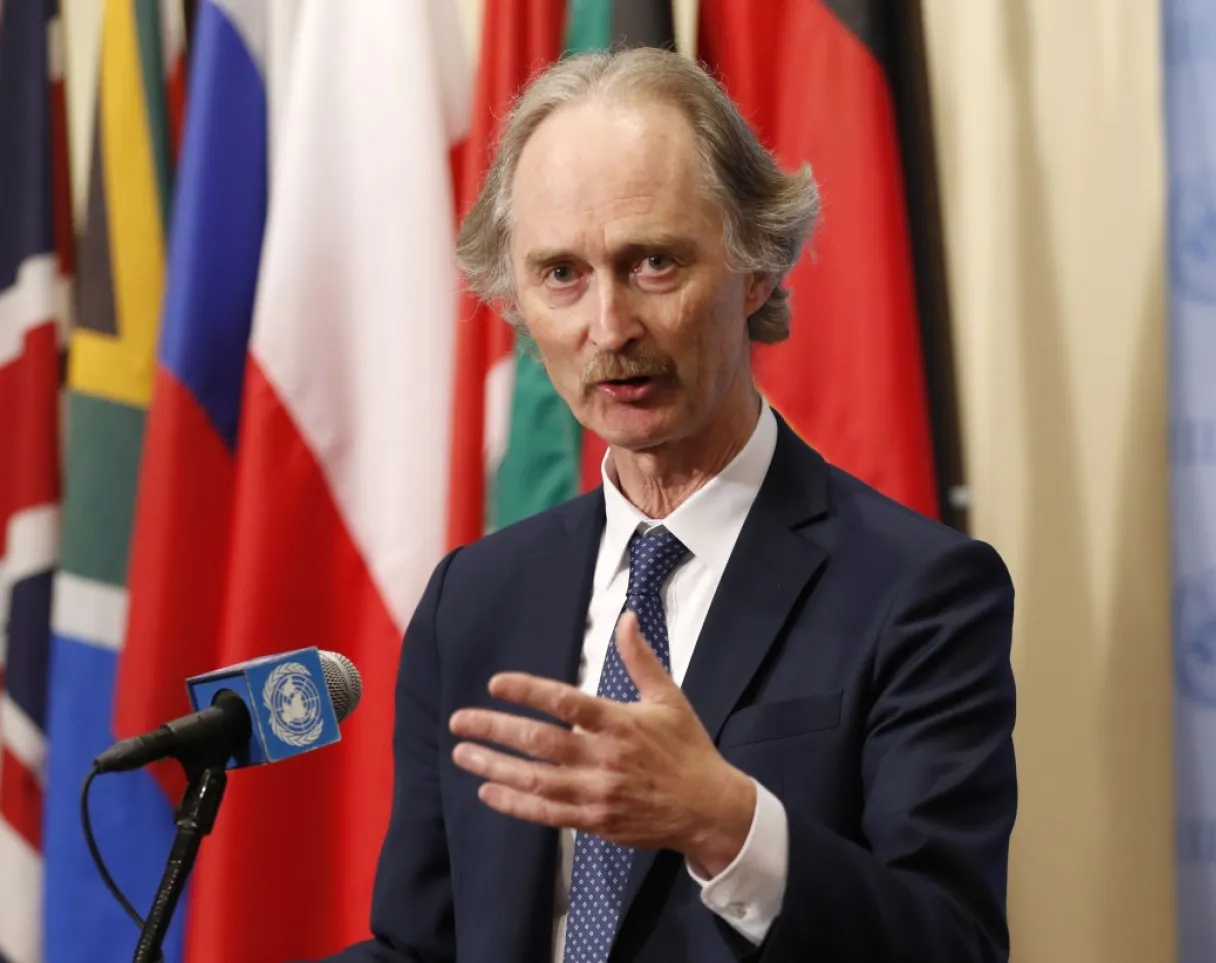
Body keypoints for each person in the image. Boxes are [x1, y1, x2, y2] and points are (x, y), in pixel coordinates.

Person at [319, 46, 1017, 963]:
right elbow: (423, 947)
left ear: (756, 267)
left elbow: (953, 946)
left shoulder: (918, 591)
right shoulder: (474, 598)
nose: (608, 329)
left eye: (653, 262)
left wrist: (727, 822)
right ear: (516, 300)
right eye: (561, 274)